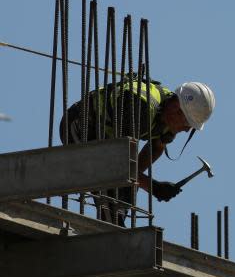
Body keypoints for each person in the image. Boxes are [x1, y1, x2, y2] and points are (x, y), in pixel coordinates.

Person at [59, 77, 215, 225]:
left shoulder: (169, 119)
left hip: (107, 140)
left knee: (127, 186)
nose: (187, 131)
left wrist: (136, 179)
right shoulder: (140, 106)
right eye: (188, 124)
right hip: (81, 125)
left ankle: (114, 228)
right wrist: (152, 186)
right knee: (110, 179)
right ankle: (112, 232)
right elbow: (119, 165)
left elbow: (156, 147)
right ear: (176, 108)